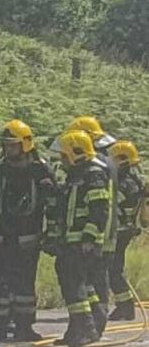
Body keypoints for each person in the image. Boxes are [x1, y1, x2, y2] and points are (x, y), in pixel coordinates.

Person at [0, 120, 56, 342]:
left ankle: (24, 327)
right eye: (6, 145)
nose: (8, 149)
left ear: (26, 145)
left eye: (13, 145)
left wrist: (53, 233)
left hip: (28, 238)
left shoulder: (39, 171)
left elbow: (53, 203)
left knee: (25, 283)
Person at [45, 130, 110, 347]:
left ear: (77, 153)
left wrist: (89, 238)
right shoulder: (76, 175)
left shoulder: (93, 175)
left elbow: (99, 210)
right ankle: (78, 329)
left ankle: (86, 329)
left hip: (83, 243)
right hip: (70, 243)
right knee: (78, 285)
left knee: (75, 287)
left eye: (64, 155)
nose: (62, 160)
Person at [62, 116, 118, 335]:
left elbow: (100, 208)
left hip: (96, 236)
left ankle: (92, 326)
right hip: (100, 234)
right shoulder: (102, 164)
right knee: (88, 281)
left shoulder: (95, 170)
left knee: (91, 280)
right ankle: (88, 327)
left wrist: (91, 236)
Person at [107, 141, 145, 321]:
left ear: (122, 160)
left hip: (122, 232)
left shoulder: (128, 183)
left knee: (113, 269)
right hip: (119, 231)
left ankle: (126, 306)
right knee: (113, 268)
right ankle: (124, 305)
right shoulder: (125, 180)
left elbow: (113, 202)